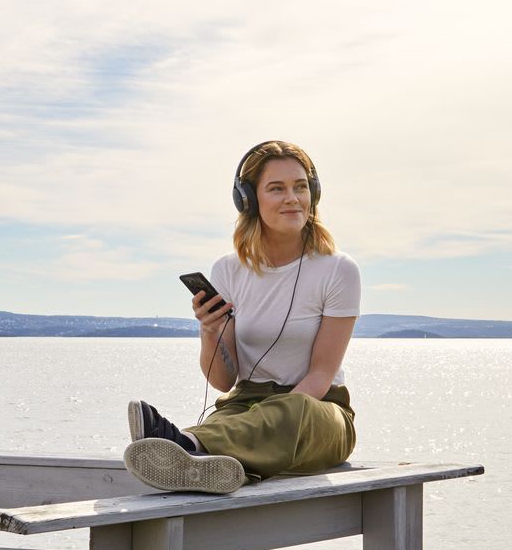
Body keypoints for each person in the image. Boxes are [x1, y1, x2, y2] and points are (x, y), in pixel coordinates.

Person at [124, 141, 361, 493]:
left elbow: (321, 375)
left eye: (300, 187)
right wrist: (210, 329)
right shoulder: (227, 270)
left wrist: (269, 417)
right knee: (241, 422)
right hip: (245, 407)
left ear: (314, 193)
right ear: (248, 199)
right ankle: (215, 467)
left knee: (294, 412)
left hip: (318, 413)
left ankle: (185, 444)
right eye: (277, 189)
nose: (292, 198)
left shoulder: (338, 270)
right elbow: (223, 381)